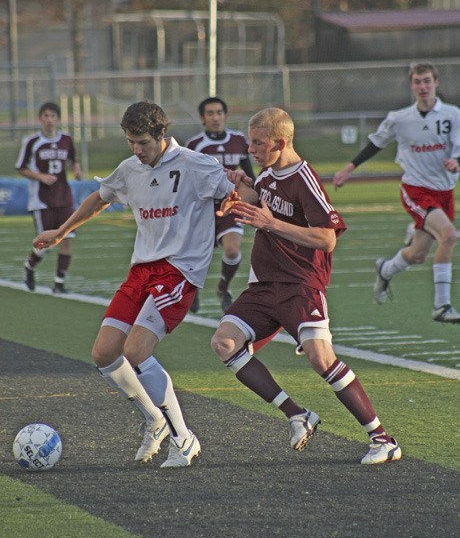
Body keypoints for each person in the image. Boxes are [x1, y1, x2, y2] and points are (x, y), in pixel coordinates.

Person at [32, 101, 249, 468]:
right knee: (104, 353)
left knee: (135, 350)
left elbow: (236, 194)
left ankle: (183, 437)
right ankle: (155, 420)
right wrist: (61, 231)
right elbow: (99, 199)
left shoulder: (196, 164)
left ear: (162, 135)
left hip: (179, 271)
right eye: (131, 141)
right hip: (141, 271)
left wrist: (247, 202)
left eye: (143, 142)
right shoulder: (130, 169)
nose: (136, 149)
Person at [211, 107, 401, 465]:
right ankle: (298, 414)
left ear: (280, 143)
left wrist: (271, 224)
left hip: (300, 283)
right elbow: (262, 202)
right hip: (265, 285)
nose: (250, 150)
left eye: (258, 143)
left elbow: (326, 238)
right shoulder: (268, 173)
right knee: (224, 342)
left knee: (320, 357)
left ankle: (383, 439)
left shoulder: (304, 177)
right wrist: (241, 189)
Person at [333, 61, 460, 324]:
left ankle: (385, 268)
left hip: (445, 192)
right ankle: (442, 305)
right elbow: (376, 143)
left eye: (427, 81)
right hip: (416, 190)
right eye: (417, 82)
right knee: (448, 236)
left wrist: (456, 161)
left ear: (436, 83)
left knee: (417, 254)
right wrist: (349, 167)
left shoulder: (452, 115)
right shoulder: (400, 118)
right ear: (411, 86)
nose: (422, 86)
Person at [186, 97, 255, 313]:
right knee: (196, 256)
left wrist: (255, 198)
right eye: (210, 113)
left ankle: (223, 289)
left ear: (225, 115)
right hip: (203, 206)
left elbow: (250, 176)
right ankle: (192, 289)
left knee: (233, 250)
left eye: (219, 113)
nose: (215, 117)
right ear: (202, 119)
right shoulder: (194, 145)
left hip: (231, 203)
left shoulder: (239, 140)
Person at [16, 101, 82, 293]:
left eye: (53, 116)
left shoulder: (67, 140)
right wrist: (40, 176)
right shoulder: (32, 142)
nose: (49, 120)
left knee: (67, 238)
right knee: (45, 243)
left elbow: (73, 159)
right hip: (42, 199)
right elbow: (21, 168)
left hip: (64, 196)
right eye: (46, 116)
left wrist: (77, 169)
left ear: (58, 119)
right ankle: (30, 265)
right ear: (40, 119)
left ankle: (59, 283)